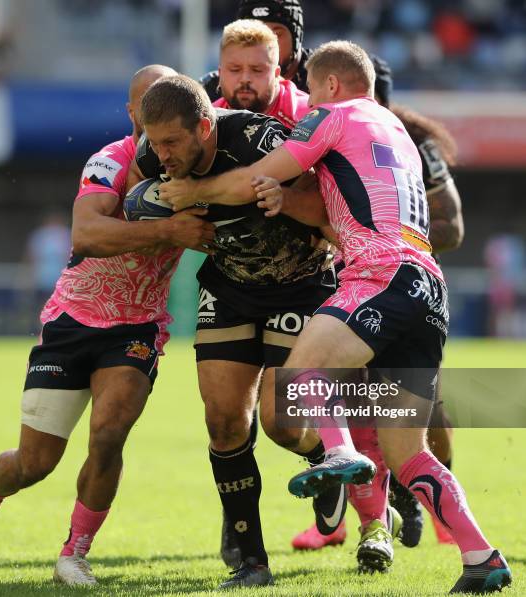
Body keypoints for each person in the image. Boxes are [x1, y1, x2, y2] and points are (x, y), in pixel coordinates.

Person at [160, 42, 511, 594]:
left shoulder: (333, 115)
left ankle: (341, 455)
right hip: (427, 286)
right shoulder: (398, 132)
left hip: (379, 272)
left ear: (327, 86)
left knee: (302, 373)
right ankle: (482, 557)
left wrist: (194, 191)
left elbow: (254, 176)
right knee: (410, 457)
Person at [0, 64, 216, 587]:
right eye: (145, 106)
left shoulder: (197, 168)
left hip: (137, 325)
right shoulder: (109, 160)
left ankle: (74, 552)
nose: (154, 120)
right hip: (74, 319)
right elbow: (87, 233)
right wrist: (171, 230)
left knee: (109, 433)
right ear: (132, 111)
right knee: (34, 461)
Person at [132, 73, 337, 589]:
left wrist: (269, 199)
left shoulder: (259, 138)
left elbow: (322, 208)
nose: (162, 155)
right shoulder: (149, 156)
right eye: (154, 143)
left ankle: (322, 458)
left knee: (281, 424)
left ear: (204, 127)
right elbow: (150, 208)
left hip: (300, 284)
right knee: (224, 423)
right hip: (229, 287)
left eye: (172, 142)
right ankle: (251, 561)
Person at [292, 53, 465, 551]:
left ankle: (424, 508)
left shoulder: (411, 141)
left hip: (402, 277)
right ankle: (355, 520)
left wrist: (389, 231)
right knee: (343, 395)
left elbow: (453, 226)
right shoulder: (326, 128)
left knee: (426, 413)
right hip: (352, 277)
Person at [202, 0, 309, 101]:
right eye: (253, 36)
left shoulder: (322, 78)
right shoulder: (210, 91)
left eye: (276, 34)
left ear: (297, 38)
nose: (266, 43)